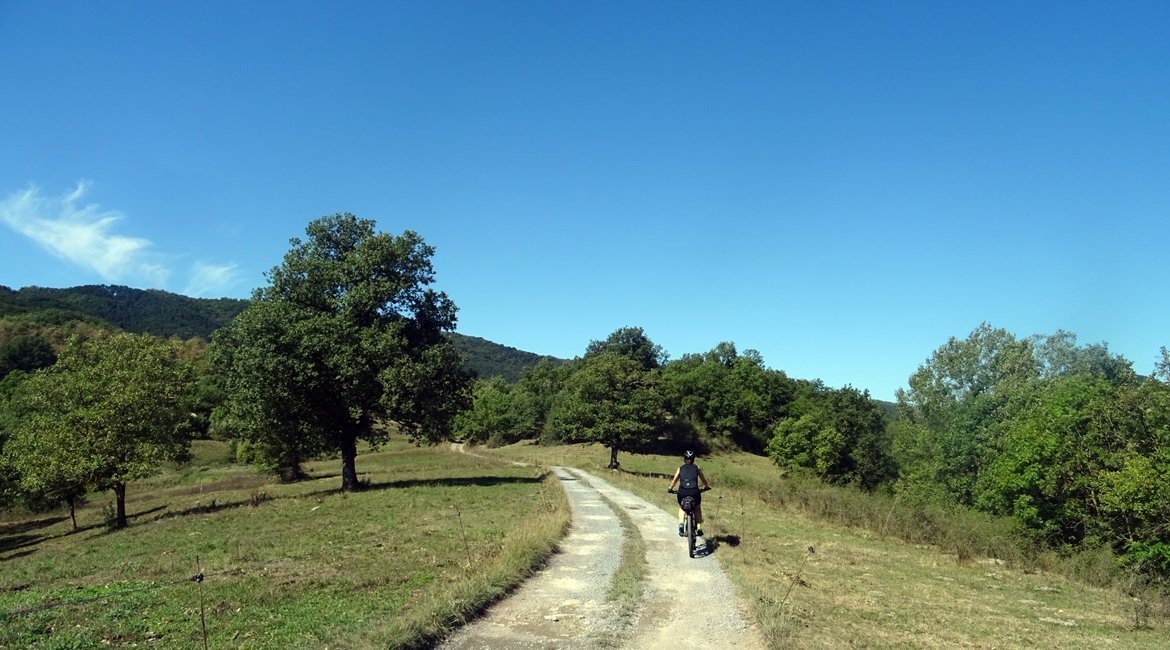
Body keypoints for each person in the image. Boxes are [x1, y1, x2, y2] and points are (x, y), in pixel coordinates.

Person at [667, 450, 710, 537]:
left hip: (682, 492)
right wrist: (706, 487)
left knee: (682, 507)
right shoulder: (697, 468)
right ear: (693, 459)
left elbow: (674, 480)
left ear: (684, 459)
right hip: (694, 492)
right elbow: (703, 479)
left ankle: (681, 525)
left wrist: (670, 489)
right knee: (697, 507)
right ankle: (699, 527)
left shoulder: (680, 468)